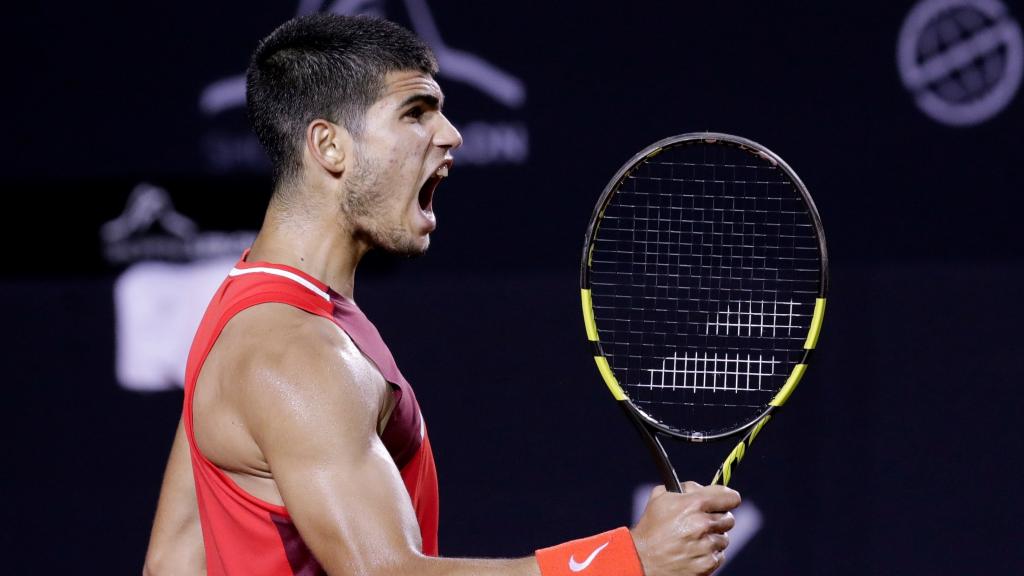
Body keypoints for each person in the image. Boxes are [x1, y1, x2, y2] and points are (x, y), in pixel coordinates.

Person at [143, 13, 741, 576]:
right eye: (415, 111)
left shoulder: (244, 312)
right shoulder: (295, 351)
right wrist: (627, 560)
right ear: (330, 147)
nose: (451, 135)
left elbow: (172, 562)